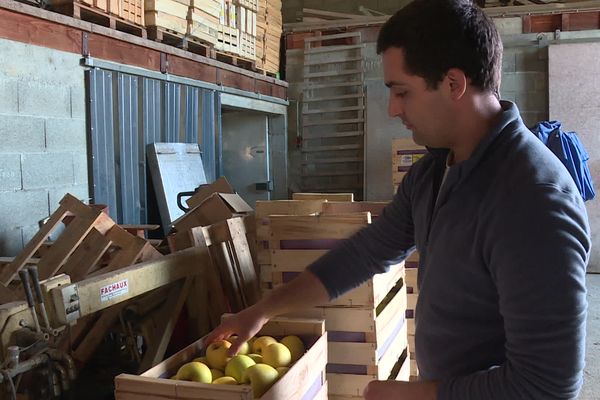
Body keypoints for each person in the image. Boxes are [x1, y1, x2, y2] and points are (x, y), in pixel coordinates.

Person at [206, 0, 591, 399]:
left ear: (454, 84)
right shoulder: (434, 171)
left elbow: (546, 386)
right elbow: (365, 253)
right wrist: (264, 310)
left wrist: (410, 395)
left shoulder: (533, 202)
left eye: (401, 92)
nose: (393, 109)